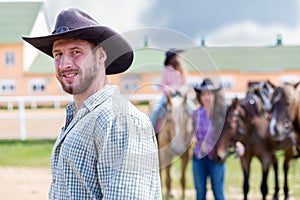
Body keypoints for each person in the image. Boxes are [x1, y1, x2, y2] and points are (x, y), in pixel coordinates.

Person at [22, 8, 162, 199]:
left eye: (76, 52)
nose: (64, 65)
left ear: (101, 56)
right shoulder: (81, 118)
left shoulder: (120, 120)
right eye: (58, 54)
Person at [192, 78, 225, 200]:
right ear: (200, 96)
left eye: (209, 94)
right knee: (200, 194)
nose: (206, 97)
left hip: (215, 158)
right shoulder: (196, 114)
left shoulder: (221, 115)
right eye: (204, 94)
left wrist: (237, 144)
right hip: (198, 158)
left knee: (218, 194)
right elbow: (191, 133)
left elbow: (229, 134)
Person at [150, 48, 189, 133]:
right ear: (172, 58)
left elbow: (185, 84)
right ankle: (152, 133)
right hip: (168, 96)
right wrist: (171, 90)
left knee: (192, 109)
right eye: (177, 56)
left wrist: (181, 90)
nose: (179, 58)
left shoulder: (181, 70)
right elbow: (163, 85)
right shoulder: (166, 70)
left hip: (181, 96)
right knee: (155, 110)